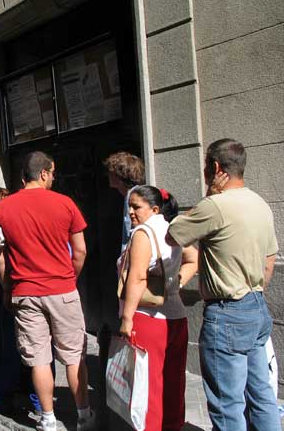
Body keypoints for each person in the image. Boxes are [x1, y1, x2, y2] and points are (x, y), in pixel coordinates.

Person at [167, 138, 280, 431]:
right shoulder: (260, 204)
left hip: (227, 311)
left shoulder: (215, 205)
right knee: (262, 397)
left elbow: (174, 233)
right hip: (256, 306)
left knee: (228, 406)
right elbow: (269, 262)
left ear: (215, 168)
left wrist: (209, 194)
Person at [0, 151, 94, 431]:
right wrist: (70, 278)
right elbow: (81, 250)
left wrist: (9, 287)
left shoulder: (3, 208)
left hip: (25, 292)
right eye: (53, 173)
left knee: (39, 358)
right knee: (74, 355)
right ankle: (84, 415)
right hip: (62, 288)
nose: (53, 178)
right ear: (44, 173)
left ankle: (48, 419)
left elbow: (0, 257)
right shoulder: (65, 203)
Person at [118, 186, 198, 431]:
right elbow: (193, 259)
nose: (131, 212)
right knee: (173, 380)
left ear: (154, 209)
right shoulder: (171, 228)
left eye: (136, 207)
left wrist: (126, 318)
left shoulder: (143, 233)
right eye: (129, 206)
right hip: (176, 316)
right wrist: (175, 283)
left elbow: (138, 278)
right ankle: (173, 426)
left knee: (148, 384)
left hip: (147, 317)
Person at [103, 151, 145, 252]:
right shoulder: (133, 194)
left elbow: (130, 233)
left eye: (111, 172)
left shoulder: (133, 197)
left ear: (119, 175)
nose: (108, 175)